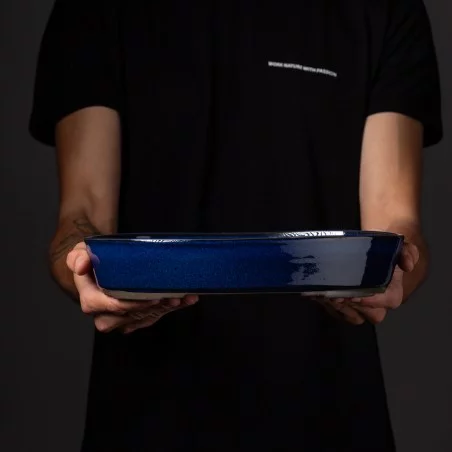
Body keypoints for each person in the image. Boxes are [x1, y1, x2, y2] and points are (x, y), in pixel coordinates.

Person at [29, 0, 442, 450]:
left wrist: (393, 271)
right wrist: (83, 268)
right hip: (146, 410)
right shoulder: (93, 9)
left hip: (330, 406)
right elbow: (82, 214)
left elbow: (395, 219)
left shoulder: (384, 8)